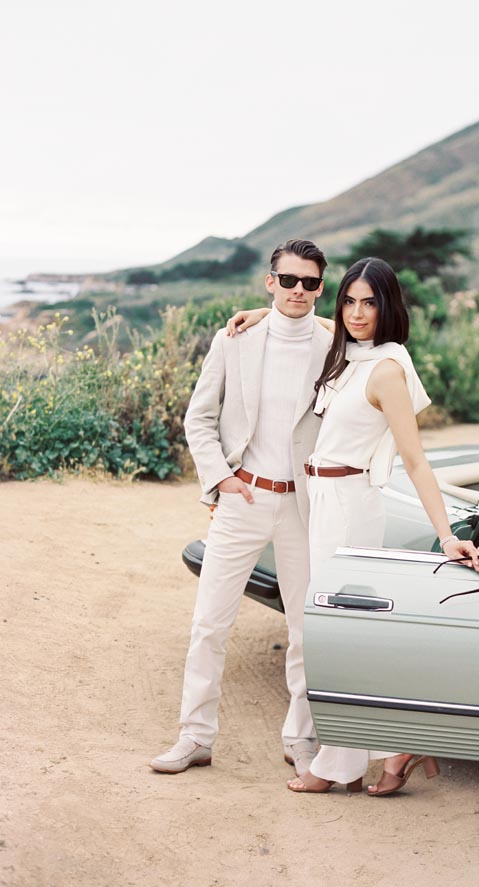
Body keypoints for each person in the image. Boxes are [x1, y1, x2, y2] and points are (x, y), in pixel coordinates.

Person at [229, 257, 479, 796]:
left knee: (338, 635)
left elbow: (415, 461)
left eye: (371, 302)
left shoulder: (387, 368)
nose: (358, 312)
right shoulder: (348, 352)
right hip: (322, 499)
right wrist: (264, 312)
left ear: (388, 306)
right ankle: (396, 746)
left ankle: (337, 764)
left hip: (350, 505)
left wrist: (447, 535)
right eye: (349, 301)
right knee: (349, 634)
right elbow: (327, 325)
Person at [150, 239, 333, 776]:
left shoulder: (335, 343)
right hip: (243, 497)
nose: (300, 290)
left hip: (304, 505)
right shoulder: (235, 340)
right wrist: (222, 479)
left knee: (305, 629)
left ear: (321, 288)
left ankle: (300, 739)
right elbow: (198, 419)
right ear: (270, 280)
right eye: (290, 279)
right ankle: (195, 736)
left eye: (311, 282)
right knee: (209, 622)